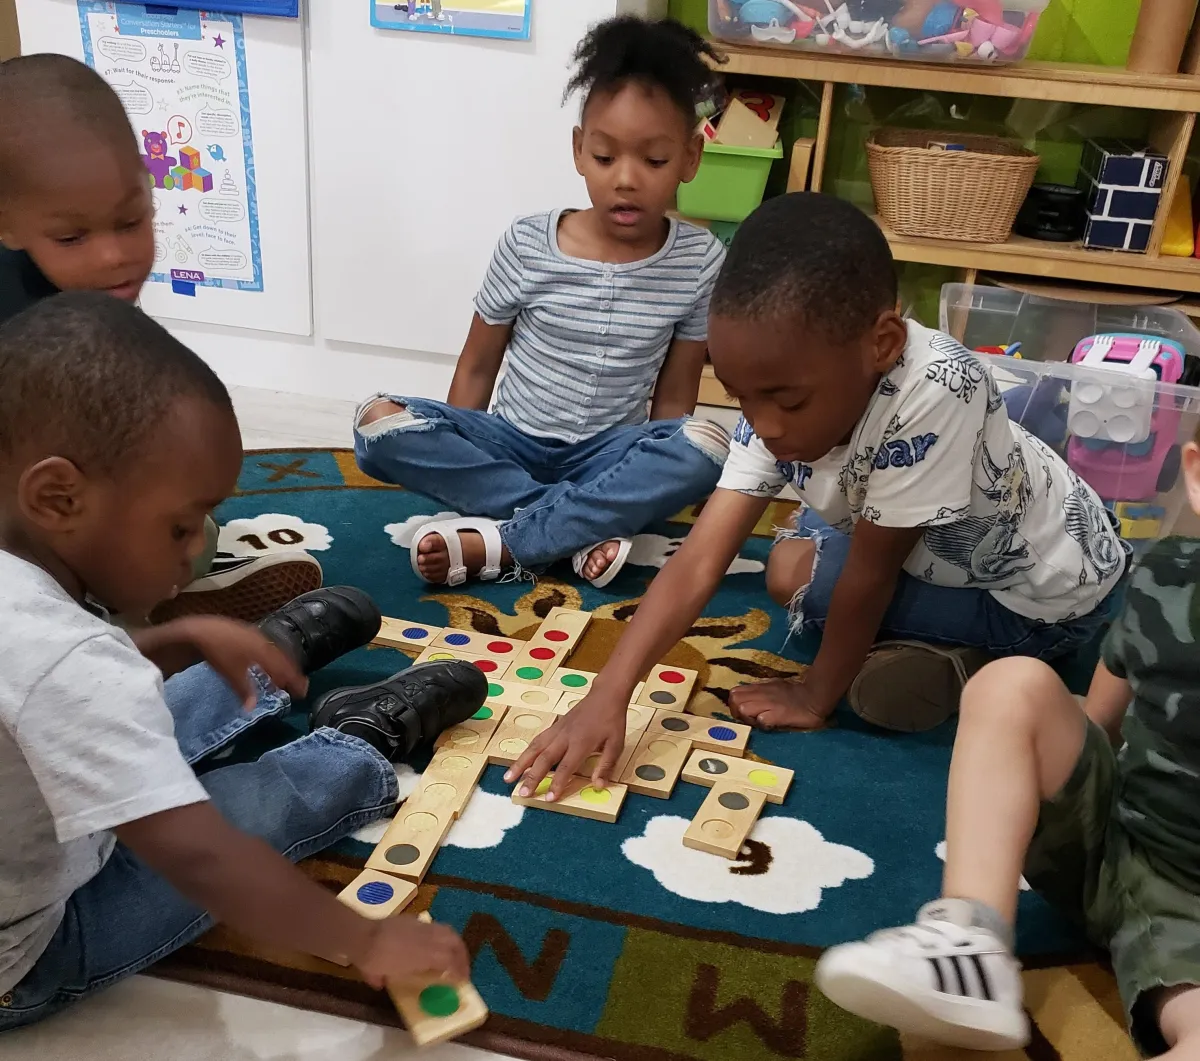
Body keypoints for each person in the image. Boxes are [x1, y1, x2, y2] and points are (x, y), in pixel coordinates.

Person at [507, 192, 1129, 801]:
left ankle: (971, 663)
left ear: (882, 345)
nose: (766, 424)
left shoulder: (940, 388)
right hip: (935, 538)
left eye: (789, 400)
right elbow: (700, 557)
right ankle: (933, 654)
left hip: (1044, 594)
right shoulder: (778, 380)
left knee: (812, 583)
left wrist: (812, 695)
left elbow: (870, 576)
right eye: (741, 394)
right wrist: (608, 694)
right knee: (788, 568)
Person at [0, 293, 489, 1029]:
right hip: (30, 950)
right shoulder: (65, 659)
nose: (198, 546)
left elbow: (35, 690)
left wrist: (168, 640)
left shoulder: (35, 603)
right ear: (58, 496)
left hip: (35, 805)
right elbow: (202, 860)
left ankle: (267, 660)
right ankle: (358, 743)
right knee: (245, 815)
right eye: (178, 526)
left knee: (124, 691)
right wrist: (365, 938)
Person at [815, 438, 1200, 1057]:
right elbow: (1111, 691)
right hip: (1113, 842)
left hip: (1188, 933)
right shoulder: (1170, 573)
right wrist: (1063, 738)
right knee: (1012, 684)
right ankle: (972, 942)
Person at [354, 15, 731, 590]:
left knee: (705, 447)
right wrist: (461, 458)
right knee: (377, 425)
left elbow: (675, 396)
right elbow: (478, 366)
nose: (626, 180)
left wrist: (657, 468)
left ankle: (513, 538)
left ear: (690, 157)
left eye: (654, 161)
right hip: (511, 445)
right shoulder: (528, 242)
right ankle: (575, 529)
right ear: (579, 151)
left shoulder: (700, 259)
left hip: (609, 457)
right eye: (605, 158)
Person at [0, 53, 321, 623]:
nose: (114, 256)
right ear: (6, 224)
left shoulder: (86, 296)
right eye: (72, 237)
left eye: (131, 221)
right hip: (21, 536)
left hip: (66, 503)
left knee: (194, 531)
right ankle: (122, 621)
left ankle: (147, 602)